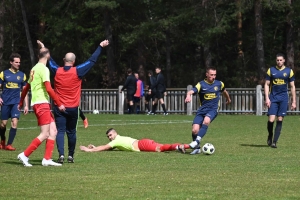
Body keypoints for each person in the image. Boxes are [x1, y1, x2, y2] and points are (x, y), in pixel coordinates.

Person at [40, 39, 109, 163]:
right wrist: (100, 46)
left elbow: (50, 60)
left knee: (60, 131)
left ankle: (61, 155)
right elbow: (91, 61)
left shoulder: (57, 70)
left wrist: (44, 48)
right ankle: (70, 156)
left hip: (59, 107)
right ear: (74, 61)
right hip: (73, 108)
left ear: (64, 60)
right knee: (71, 132)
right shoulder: (78, 71)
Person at [17, 44, 66, 167]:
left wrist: (21, 101)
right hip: (41, 103)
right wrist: (59, 103)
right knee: (45, 133)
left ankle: (47, 159)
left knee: (53, 131)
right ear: (48, 56)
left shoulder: (34, 68)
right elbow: (49, 89)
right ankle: (24, 155)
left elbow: (26, 88)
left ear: (39, 56)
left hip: (40, 103)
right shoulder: (44, 69)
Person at [185, 67, 231, 155]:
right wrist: (188, 96)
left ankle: (197, 141)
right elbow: (191, 91)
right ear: (207, 74)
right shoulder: (201, 84)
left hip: (213, 109)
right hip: (202, 110)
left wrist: (228, 99)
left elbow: (224, 91)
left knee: (206, 121)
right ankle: (197, 148)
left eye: (215, 75)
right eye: (211, 75)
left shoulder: (219, 84)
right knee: (195, 130)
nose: (213, 77)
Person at [264, 53, 296, 148]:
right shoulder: (271, 70)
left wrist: (294, 101)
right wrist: (267, 98)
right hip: (273, 98)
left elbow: (292, 86)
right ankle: (270, 135)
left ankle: (274, 142)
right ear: (276, 60)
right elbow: (266, 84)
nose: (279, 62)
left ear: (284, 60)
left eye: (281, 60)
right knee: (271, 120)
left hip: (283, 99)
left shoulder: (289, 71)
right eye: (277, 60)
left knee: (280, 119)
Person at [0, 53, 28, 151]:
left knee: (14, 122)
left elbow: (25, 91)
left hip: (16, 102)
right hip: (5, 102)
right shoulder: (4, 74)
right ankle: (2, 140)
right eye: (16, 62)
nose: (18, 64)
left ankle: (9, 144)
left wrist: (26, 105)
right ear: (11, 62)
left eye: (19, 62)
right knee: (3, 124)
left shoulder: (22, 75)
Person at [79, 128, 189, 153]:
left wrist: (89, 150)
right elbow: (107, 148)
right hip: (143, 142)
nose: (110, 137)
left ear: (115, 133)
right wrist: (95, 147)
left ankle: (179, 147)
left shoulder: (116, 140)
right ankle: (190, 146)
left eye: (110, 135)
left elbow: (105, 147)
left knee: (161, 149)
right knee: (164, 146)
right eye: (108, 137)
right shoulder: (117, 141)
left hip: (142, 145)